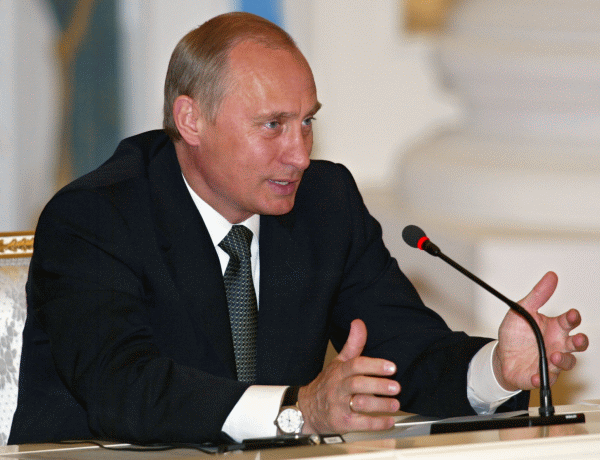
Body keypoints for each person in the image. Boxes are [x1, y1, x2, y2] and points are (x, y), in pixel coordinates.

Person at [9, 12, 587, 445]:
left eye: (307, 122)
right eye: (273, 125)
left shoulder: (325, 204)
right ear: (191, 120)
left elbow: (403, 354)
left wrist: (494, 370)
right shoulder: (95, 217)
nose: (300, 154)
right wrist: (298, 411)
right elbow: (125, 390)